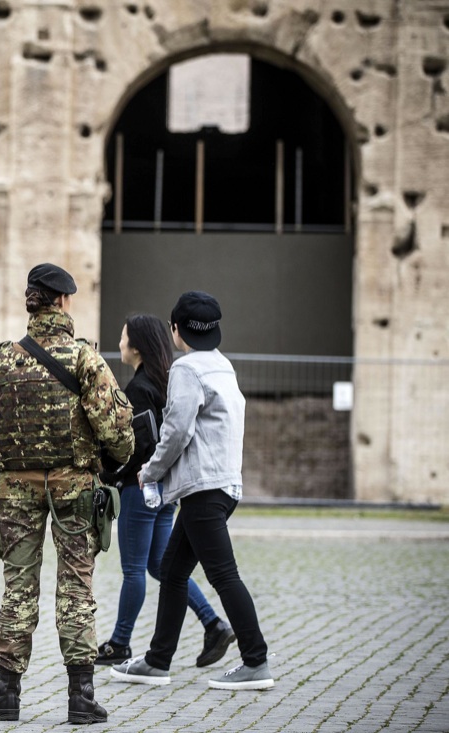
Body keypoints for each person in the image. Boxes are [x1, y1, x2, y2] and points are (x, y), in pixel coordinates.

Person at [0, 263, 135, 725]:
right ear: (63, 301)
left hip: (15, 492)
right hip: (75, 490)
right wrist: (112, 462)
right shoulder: (85, 360)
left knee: (18, 588)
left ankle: (6, 695)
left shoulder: (2, 361)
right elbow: (117, 430)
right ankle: (81, 696)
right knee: (76, 587)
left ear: (31, 302)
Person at [111, 291, 274, 691]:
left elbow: (177, 430)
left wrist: (150, 471)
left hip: (203, 489)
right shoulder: (222, 366)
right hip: (223, 484)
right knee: (172, 571)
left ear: (176, 329)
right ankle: (157, 661)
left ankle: (256, 661)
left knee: (223, 575)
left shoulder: (186, 369)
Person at [95, 314, 235, 668]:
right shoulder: (167, 382)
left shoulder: (138, 389)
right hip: (166, 491)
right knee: (161, 565)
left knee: (133, 569)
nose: (120, 343)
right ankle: (213, 624)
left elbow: (135, 447)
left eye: (123, 337)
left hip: (141, 488)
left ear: (137, 346)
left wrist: (107, 470)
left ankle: (119, 643)